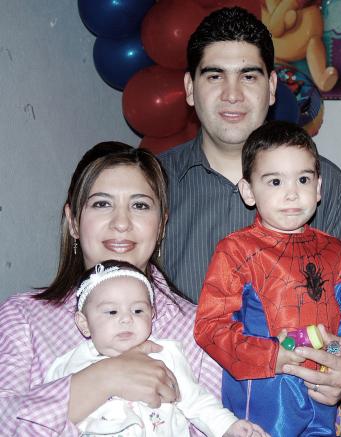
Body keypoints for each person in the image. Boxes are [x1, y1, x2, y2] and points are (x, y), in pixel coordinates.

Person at [158, 6, 341, 404]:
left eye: (249, 76)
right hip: (180, 410)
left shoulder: (324, 183)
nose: (232, 93)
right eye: (214, 76)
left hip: (298, 409)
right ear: (191, 88)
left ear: (271, 88)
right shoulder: (152, 184)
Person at [0, 142, 222, 436]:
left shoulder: (201, 328)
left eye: (140, 205)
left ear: (161, 225)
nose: (121, 223)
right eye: (102, 204)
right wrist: (103, 378)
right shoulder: (23, 317)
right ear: (73, 222)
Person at [194, 121, 341, 436]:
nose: (292, 193)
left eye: (303, 179)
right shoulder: (236, 251)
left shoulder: (336, 251)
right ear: (249, 191)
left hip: (323, 401)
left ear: (318, 188)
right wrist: (270, 356)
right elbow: (209, 327)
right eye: (275, 181)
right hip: (264, 406)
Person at [46, 260, 267, 437]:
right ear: (84, 323)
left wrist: (228, 427)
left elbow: (196, 400)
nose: (126, 319)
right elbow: (48, 415)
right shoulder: (67, 365)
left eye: (138, 311)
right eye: (111, 312)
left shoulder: (164, 354)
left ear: (152, 315)